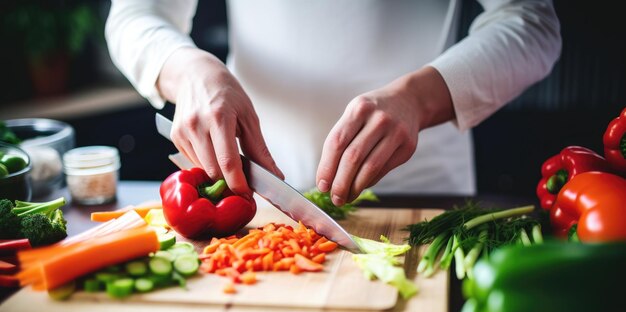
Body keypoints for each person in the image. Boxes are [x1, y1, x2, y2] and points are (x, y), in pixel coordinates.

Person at [105, 0, 561, 205]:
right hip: (255, 197)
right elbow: (134, 15)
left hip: (423, 195)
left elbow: (532, 23)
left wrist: (418, 100)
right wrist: (189, 71)